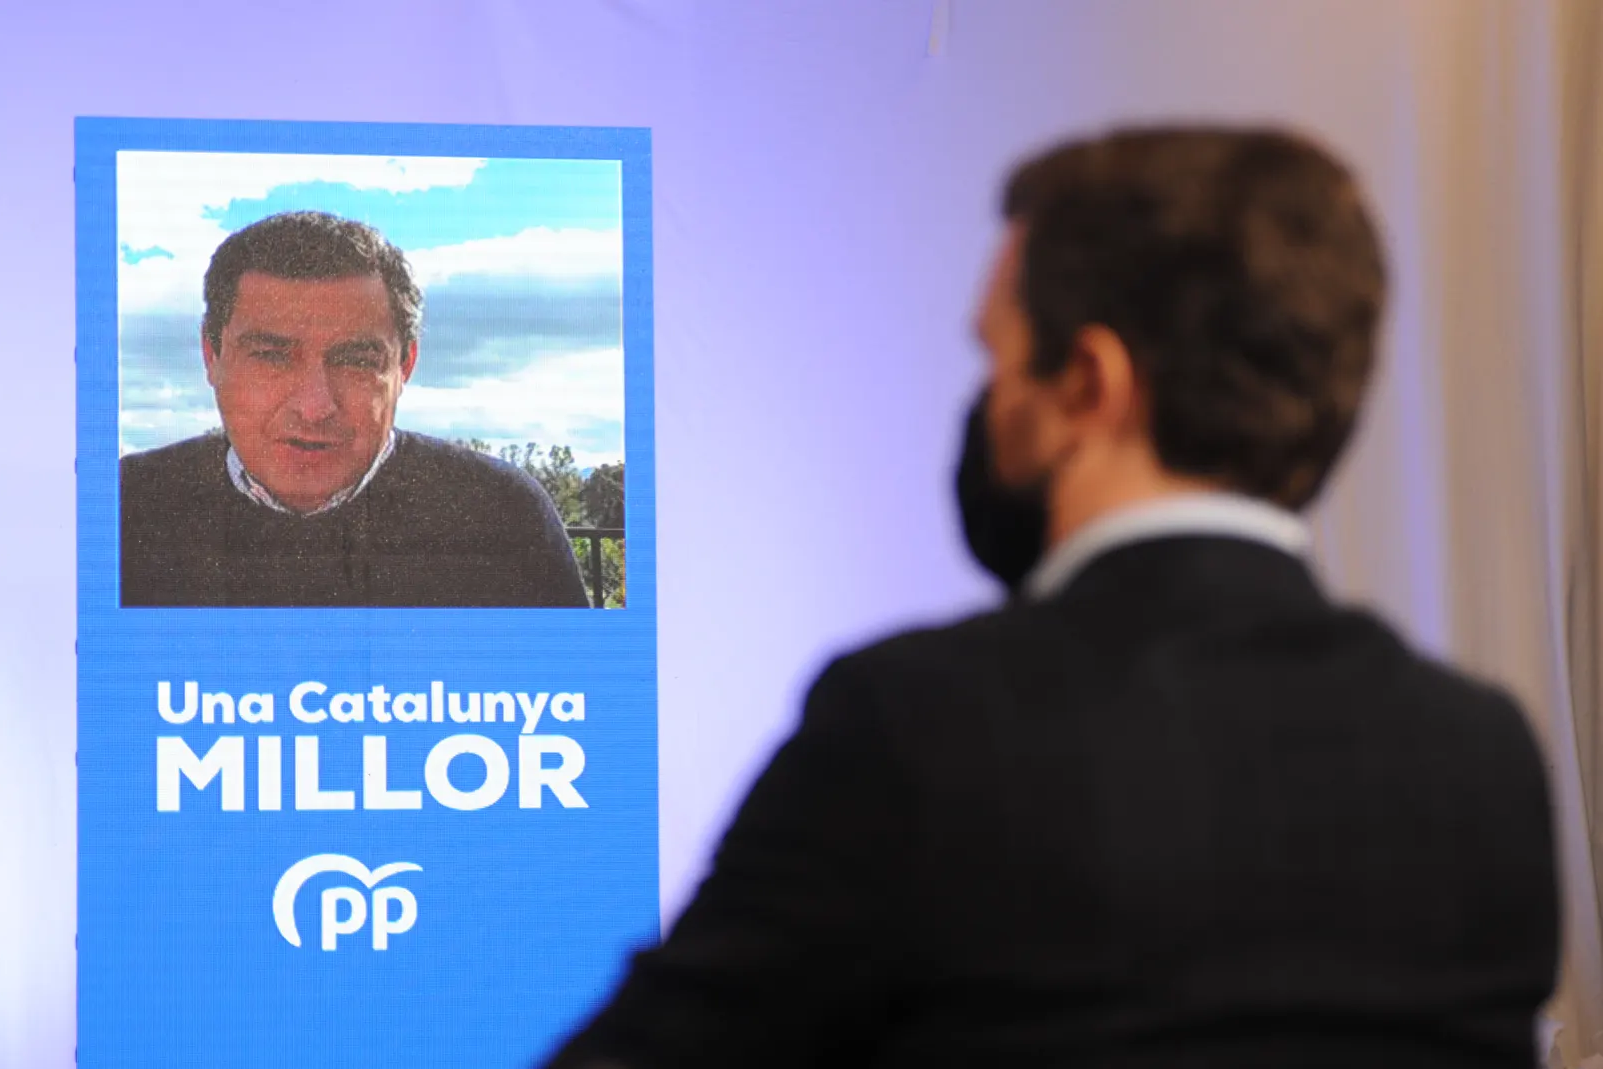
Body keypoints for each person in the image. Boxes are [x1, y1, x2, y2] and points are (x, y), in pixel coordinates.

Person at [544, 126, 1560, 1067]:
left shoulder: (912, 726)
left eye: (995, 358)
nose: (985, 406)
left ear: (1088, 382)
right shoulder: (1483, 756)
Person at [120, 211, 592, 608]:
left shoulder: (504, 517)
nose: (314, 407)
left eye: (356, 361)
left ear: (405, 364)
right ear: (212, 355)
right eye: (271, 356)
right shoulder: (121, 508)